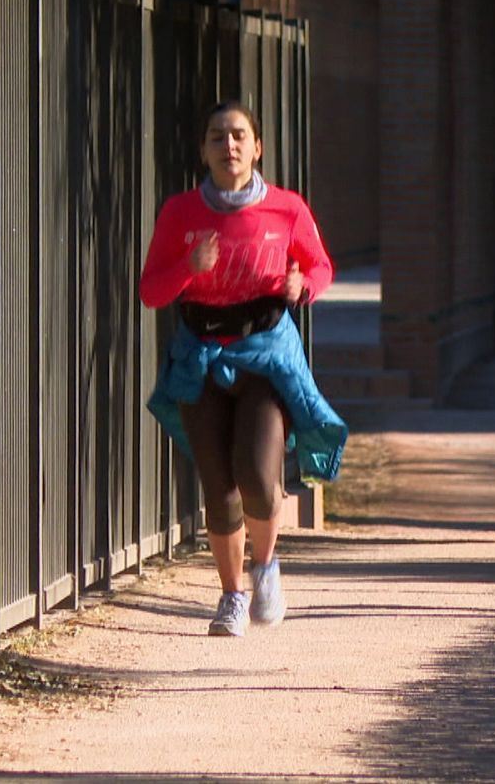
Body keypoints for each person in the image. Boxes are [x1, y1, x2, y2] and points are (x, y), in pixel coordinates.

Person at [139, 100, 347, 637]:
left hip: (265, 352)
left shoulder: (286, 209)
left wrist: (305, 287)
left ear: (257, 148)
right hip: (201, 352)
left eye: (238, 136)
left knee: (256, 474)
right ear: (203, 150)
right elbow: (150, 291)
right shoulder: (180, 213)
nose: (227, 146)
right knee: (219, 487)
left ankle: (267, 567)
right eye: (216, 137)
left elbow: (319, 265)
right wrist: (189, 268)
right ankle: (232, 596)